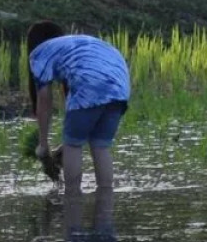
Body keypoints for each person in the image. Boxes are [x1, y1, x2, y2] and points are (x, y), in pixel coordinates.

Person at [27, 22, 131, 194]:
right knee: (101, 145)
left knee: (73, 146)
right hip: (120, 86)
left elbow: (44, 100)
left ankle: (72, 199)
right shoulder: (75, 44)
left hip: (91, 84)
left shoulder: (39, 52)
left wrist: (43, 145)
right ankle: (105, 205)